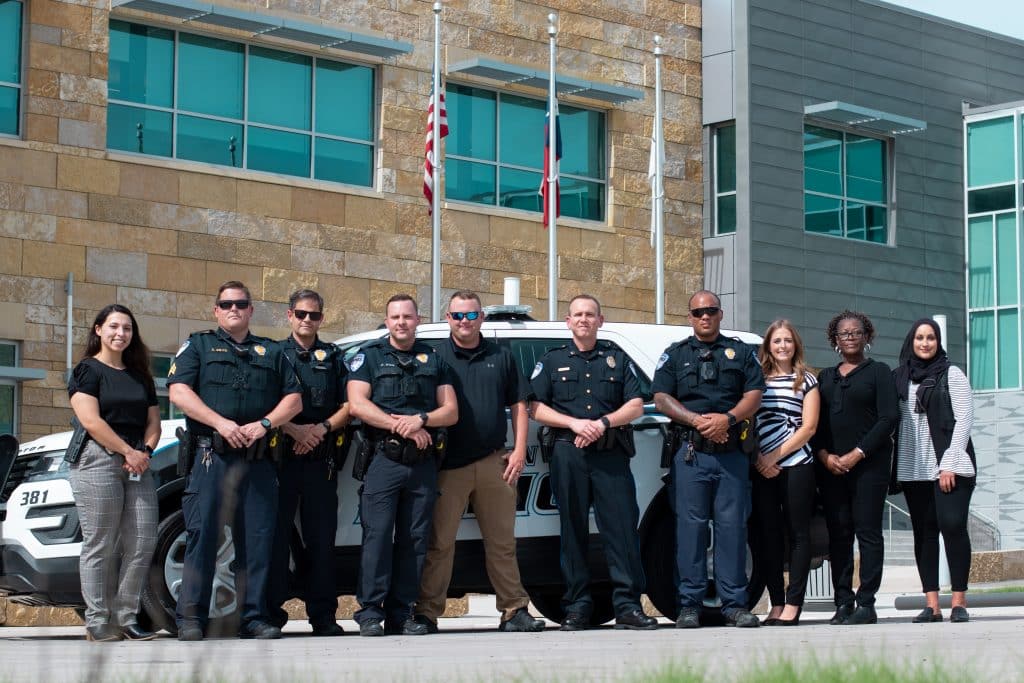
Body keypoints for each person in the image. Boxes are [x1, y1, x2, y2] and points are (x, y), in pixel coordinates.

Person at [168, 281, 302, 641]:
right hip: (212, 457)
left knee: (258, 543)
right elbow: (179, 391)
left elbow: (294, 400)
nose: (234, 309)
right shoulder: (198, 346)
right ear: (216, 310)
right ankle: (191, 618)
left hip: (258, 461)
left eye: (241, 304)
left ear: (250, 310)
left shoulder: (272, 352)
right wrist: (221, 424)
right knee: (203, 537)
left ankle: (254, 618)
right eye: (226, 304)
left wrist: (264, 425)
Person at [415, 291, 544, 633]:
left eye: (471, 316)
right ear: (448, 318)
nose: (464, 322)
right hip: (447, 466)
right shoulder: (434, 356)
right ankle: (427, 613)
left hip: (493, 463)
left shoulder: (500, 355)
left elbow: (519, 404)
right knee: (439, 544)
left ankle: (514, 610)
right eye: (458, 316)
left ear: (481, 318)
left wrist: (518, 450)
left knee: (502, 543)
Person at [530, 294, 657, 631]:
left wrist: (601, 424)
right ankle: (577, 607)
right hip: (568, 453)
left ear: (600, 321)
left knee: (622, 532)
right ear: (568, 321)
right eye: (577, 315)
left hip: (610, 453)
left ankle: (628, 606)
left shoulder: (617, 359)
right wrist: (573, 424)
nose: (583, 319)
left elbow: (636, 406)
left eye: (590, 314)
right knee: (572, 531)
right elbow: (535, 408)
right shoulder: (552, 359)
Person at [346, 294, 458, 636]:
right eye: (395, 316)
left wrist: (421, 420)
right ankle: (369, 612)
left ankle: (401, 613)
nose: (401, 322)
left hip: (422, 464)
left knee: (414, 539)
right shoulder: (370, 358)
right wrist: (402, 426)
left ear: (418, 319)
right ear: (387, 319)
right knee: (377, 536)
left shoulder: (434, 360)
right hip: (384, 458)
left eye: (407, 317)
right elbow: (356, 405)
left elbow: (450, 411)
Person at [652, 290, 764, 629]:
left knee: (732, 530)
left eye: (711, 310)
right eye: (698, 311)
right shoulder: (675, 355)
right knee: (690, 530)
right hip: (691, 454)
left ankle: (734, 605)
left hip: (731, 455)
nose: (705, 316)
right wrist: (697, 421)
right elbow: (660, 398)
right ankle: (689, 605)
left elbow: (755, 395)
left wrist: (726, 420)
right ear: (690, 317)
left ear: (720, 314)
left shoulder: (742, 353)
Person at [68, 304, 160, 642]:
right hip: (98, 461)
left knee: (142, 541)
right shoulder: (87, 371)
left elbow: (154, 422)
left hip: (138, 463)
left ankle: (126, 617)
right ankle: (97, 620)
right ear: (98, 330)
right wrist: (128, 451)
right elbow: (91, 421)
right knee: (101, 544)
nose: (120, 333)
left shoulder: (140, 376)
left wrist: (145, 452)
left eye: (127, 328)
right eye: (114, 327)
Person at [267, 289, 350, 636]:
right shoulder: (273, 355)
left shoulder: (333, 357)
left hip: (320, 460)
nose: (306, 320)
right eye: (300, 314)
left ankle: (323, 615)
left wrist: (320, 429)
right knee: (274, 538)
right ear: (289, 316)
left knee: (321, 540)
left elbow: (350, 404)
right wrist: (294, 430)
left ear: (322, 318)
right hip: (281, 460)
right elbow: (262, 404)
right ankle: (270, 614)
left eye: (313, 315)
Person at [812, 310, 898, 626]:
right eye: (844, 333)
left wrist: (857, 454)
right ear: (835, 340)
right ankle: (843, 602)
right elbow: (815, 423)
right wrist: (824, 456)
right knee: (839, 535)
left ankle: (866, 603)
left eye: (856, 332)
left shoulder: (879, 372)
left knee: (868, 533)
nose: (850, 336)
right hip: (831, 468)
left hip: (869, 468)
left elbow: (889, 418)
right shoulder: (825, 378)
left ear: (867, 337)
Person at [894, 319, 976, 624]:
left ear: (937, 341)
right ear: (911, 341)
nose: (925, 343)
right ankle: (932, 605)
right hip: (913, 466)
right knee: (924, 534)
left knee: (953, 526)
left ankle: (958, 601)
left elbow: (964, 420)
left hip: (949, 464)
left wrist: (950, 463)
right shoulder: (899, 377)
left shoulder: (951, 374)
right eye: (919, 337)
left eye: (930, 338)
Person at [750, 320, 819, 626]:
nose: (782, 346)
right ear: (768, 346)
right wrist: (759, 460)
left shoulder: (807, 381)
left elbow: (809, 428)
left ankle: (793, 603)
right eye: (776, 341)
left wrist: (774, 457)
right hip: (761, 468)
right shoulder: (757, 379)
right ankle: (776, 603)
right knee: (767, 537)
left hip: (796, 466)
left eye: (787, 341)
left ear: (796, 345)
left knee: (798, 535)